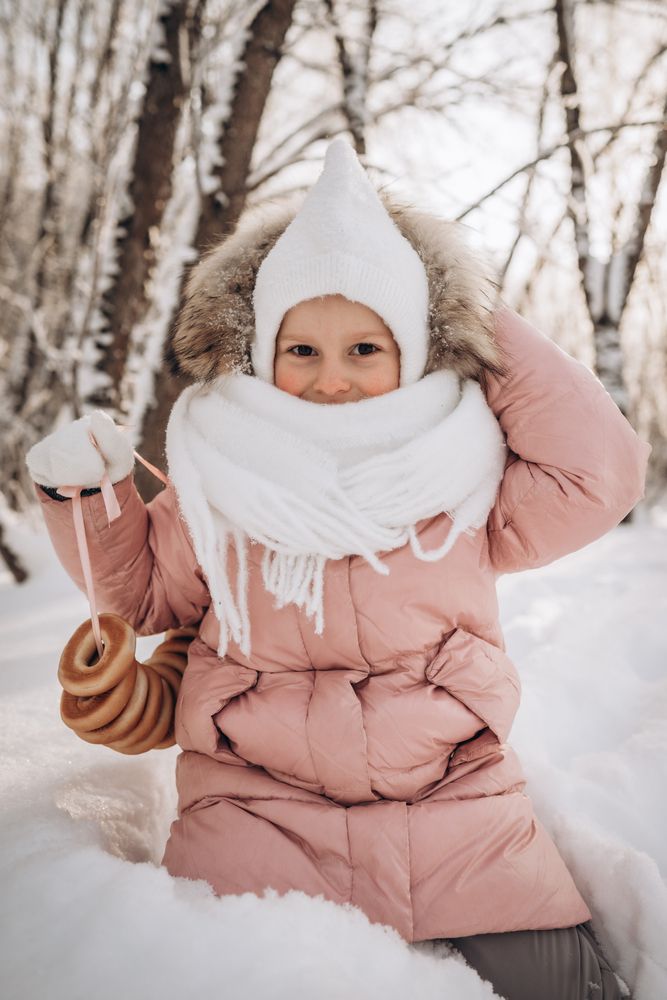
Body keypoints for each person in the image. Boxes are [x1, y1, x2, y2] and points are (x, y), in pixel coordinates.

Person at [26, 138, 649, 999]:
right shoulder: (225, 474)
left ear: (414, 347)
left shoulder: (463, 476)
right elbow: (138, 593)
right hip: (256, 807)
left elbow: (599, 473)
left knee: (568, 988)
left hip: (455, 806)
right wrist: (87, 491)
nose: (332, 380)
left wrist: (467, 316)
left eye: (366, 348)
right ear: (263, 355)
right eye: (302, 350)